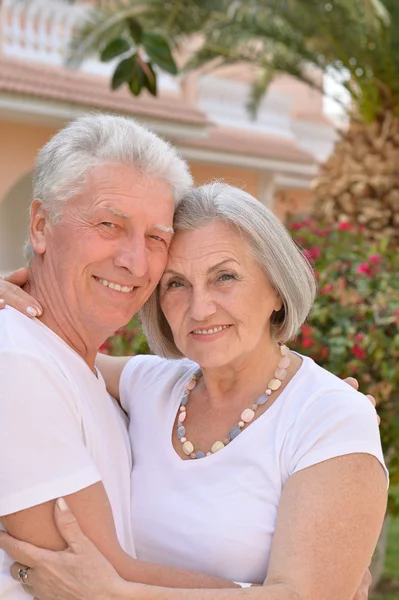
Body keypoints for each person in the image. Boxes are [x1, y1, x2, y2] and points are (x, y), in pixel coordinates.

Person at [0, 183, 388, 600]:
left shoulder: (329, 416)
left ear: (276, 287)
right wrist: (17, 296)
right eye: (175, 284)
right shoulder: (152, 385)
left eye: (225, 277)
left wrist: (114, 594)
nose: (200, 308)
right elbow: (56, 349)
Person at [0, 116, 253, 600]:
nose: (135, 263)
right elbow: (101, 576)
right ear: (40, 226)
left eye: (156, 238)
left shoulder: (79, 367)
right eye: (108, 225)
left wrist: (315, 398)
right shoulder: (19, 361)